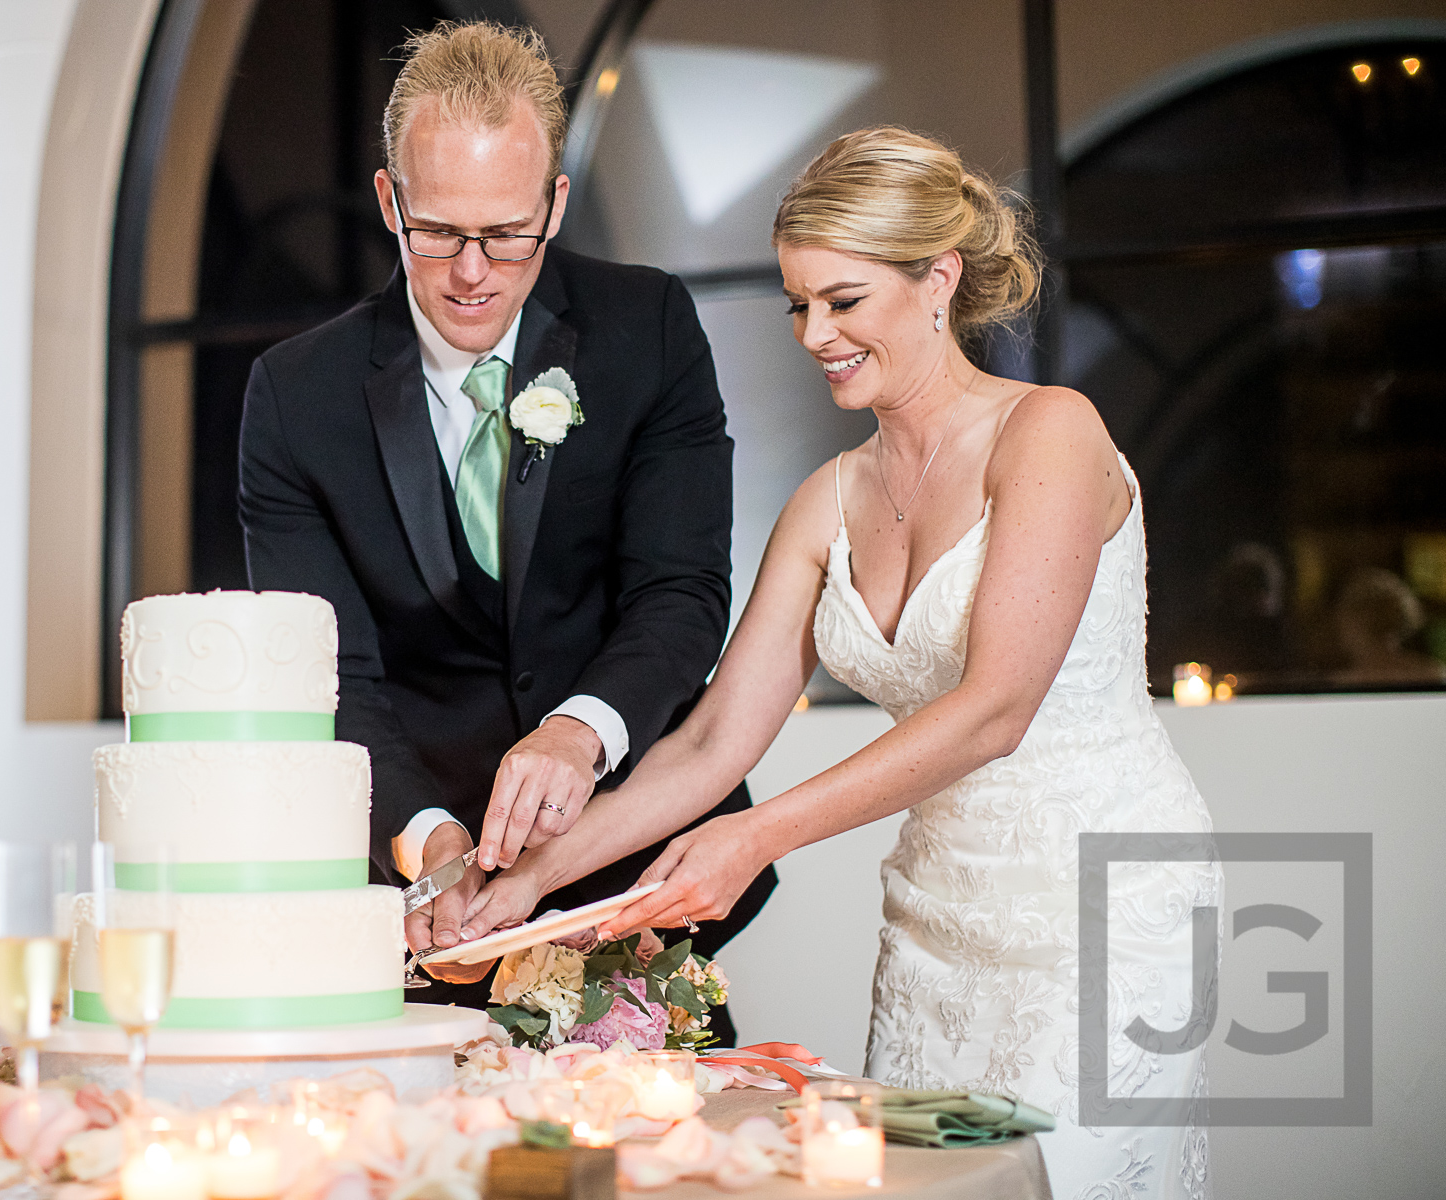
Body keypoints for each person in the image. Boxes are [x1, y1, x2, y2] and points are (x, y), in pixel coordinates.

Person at [459, 128, 1221, 1199]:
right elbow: (716, 739)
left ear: (938, 279)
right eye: (798, 305)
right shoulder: (827, 500)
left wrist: (756, 836)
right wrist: (533, 883)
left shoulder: (1049, 431)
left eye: (844, 301)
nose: (814, 334)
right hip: (934, 919)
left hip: (1103, 904)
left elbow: (996, 706)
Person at [235, 21, 774, 1028]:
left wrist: (580, 731)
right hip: (427, 909)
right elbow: (331, 675)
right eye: (439, 232)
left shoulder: (646, 330)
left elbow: (681, 593)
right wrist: (431, 840)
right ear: (391, 200)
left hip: (633, 878)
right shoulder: (295, 396)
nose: (474, 272)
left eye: (508, 233)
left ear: (556, 204)